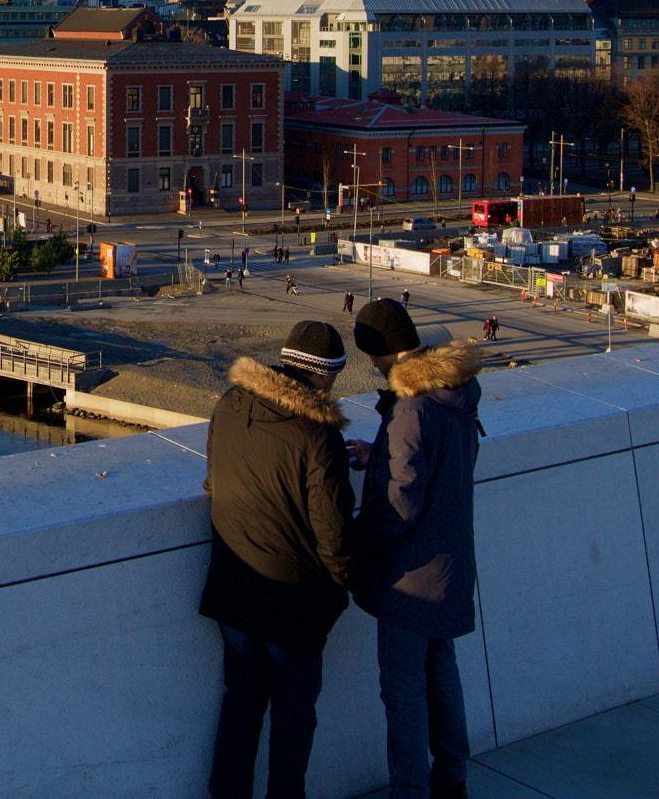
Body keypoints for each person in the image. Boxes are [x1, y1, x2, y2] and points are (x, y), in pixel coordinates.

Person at [199, 321, 359, 799]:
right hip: (294, 605)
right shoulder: (319, 434)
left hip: (235, 592)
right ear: (326, 377)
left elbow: (213, 485)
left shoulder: (230, 404)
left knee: (241, 704)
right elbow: (334, 535)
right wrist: (345, 586)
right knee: (293, 717)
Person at [351, 300, 484, 799]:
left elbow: (400, 501)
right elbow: (437, 461)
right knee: (442, 674)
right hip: (449, 562)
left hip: (410, 577)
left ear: (379, 352)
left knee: (403, 691)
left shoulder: (410, 406)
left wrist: (361, 542)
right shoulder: (454, 390)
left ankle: (409, 790)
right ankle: (452, 779)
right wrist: (379, 452)